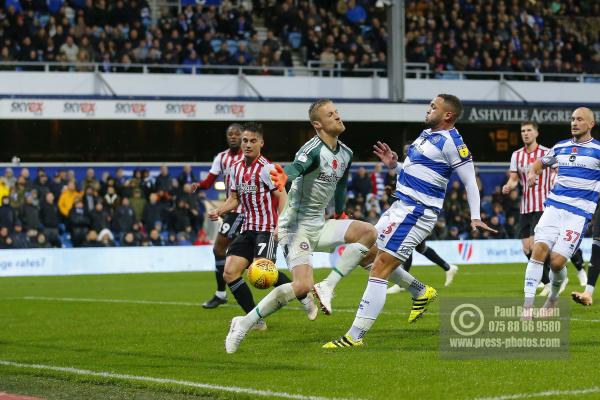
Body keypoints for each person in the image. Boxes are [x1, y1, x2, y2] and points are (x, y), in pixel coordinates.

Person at [322, 94, 495, 348]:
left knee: (380, 266)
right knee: (367, 255)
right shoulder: (426, 135)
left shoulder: (453, 141)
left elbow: (470, 181)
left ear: (448, 115)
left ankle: (354, 337)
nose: (428, 109)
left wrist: (476, 216)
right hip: (399, 206)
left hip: (417, 211)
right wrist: (395, 165)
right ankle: (419, 291)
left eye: (433, 107)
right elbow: (418, 171)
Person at [224, 99, 378, 353]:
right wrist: (285, 175)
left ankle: (327, 285)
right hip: (296, 227)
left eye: (337, 112)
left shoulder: (346, 153)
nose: (338, 117)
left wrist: (339, 211)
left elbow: (340, 184)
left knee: (367, 232)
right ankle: (244, 322)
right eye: (331, 115)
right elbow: (297, 167)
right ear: (318, 124)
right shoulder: (313, 149)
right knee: (302, 286)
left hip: (320, 222)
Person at [209, 123, 317, 328]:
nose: (248, 145)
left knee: (264, 273)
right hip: (247, 228)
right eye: (245, 141)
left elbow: (282, 196)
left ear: (261, 143)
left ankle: (304, 295)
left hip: (266, 229)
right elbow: (234, 198)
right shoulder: (234, 168)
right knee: (230, 273)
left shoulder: (267, 169)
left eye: (252, 141)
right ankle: (255, 319)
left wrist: (280, 225)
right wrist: (220, 210)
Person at [522, 108, 599, 316]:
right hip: (554, 207)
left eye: (580, 119)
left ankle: (553, 299)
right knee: (538, 251)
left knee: (556, 263)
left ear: (591, 124)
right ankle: (527, 307)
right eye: (572, 119)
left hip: (578, 214)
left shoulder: (598, 150)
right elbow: (540, 162)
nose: (574, 122)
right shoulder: (561, 146)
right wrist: (532, 173)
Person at [503, 121, 587, 297]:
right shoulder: (516, 155)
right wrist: (509, 185)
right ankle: (550, 280)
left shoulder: (546, 152)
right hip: (526, 207)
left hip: (546, 205)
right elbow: (514, 178)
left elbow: (561, 169)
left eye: (528, 130)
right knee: (526, 248)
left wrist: (555, 181)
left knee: (542, 245)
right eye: (523, 131)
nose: (525, 133)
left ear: (536, 133)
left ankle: (575, 271)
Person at [384, 143, 459, 293]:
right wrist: (391, 195)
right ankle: (448, 267)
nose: (407, 153)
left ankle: (401, 283)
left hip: (420, 212)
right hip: (409, 211)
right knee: (419, 247)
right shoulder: (404, 169)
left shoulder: (421, 169)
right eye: (405, 151)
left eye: (409, 151)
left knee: (408, 245)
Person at [195, 124, 244, 309]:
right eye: (230, 134)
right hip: (231, 209)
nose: (233, 137)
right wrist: (197, 185)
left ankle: (297, 290)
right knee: (222, 251)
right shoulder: (221, 158)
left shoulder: (249, 156)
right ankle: (221, 293)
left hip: (243, 211)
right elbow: (208, 181)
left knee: (227, 251)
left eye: (236, 134)